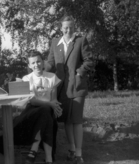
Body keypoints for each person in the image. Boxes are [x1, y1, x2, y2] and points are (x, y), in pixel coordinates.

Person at [0, 50, 62, 164]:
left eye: (39, 61)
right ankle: (48, 158)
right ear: (29, 65)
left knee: (46, 113)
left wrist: (56, 107)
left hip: (48, 110)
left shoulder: (52, 77)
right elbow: (32, 101)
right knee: (45, 112)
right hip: (32, 110)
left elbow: (53, 99)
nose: (37, 65)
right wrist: (50, 104)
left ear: (43, 62)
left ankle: (33, 151)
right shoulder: (27, 78)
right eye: (33, 63)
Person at [45, 15, 94, 164]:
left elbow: (89, 60)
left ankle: (79, 154)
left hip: (77, 86)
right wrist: (38, 69)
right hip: (61, 88)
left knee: (77, 120)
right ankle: (71, 149)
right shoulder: (55, 42)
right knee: (66, 120)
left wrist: (79, 72)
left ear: (74, 27)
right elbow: (50, 63)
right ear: (61, 28)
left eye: (71, 27)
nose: (68, 30)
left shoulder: (80, 40)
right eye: (65, 27)